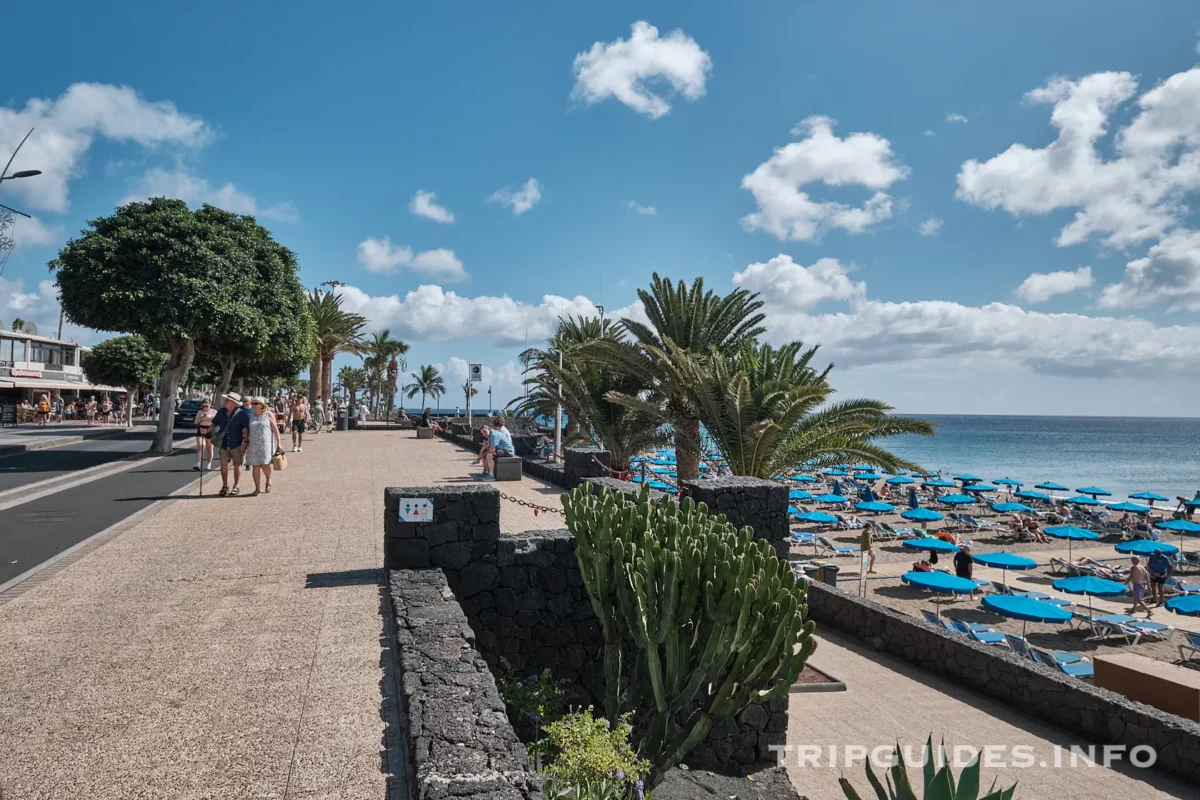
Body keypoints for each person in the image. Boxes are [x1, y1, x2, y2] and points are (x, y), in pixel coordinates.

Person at [211, 392, 250, 497]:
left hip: (237, 443)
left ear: (233, 403)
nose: (225, 402)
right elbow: (214, 423)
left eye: (227, 400)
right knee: (223, 464)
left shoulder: (241, 414)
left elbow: (245, 429)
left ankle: (236, 486)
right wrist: (206, 432)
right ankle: (225, 486)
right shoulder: (221, 412)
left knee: (237, 465)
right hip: (224, 443)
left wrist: (245, 442)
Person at [245, 397, 281, 495]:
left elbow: (275, 430)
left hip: (266, 444)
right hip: (253, 445)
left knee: (265, 465)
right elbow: (247, 431)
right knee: (255, 466)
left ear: (262, 405)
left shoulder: (268, 415)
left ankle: (268, 480)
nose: (253, 405)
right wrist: (244, 443)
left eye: (256, 403)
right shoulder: (250, 416)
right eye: (252, 404)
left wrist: (279, 443)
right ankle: (257, 488)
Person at [480, 415, 514, 480]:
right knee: (485, 453)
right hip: (501, 449)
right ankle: (486, 472)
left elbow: (493, 448)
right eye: (482, 433)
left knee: (489, 455)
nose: (484, 434)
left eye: (485, 432)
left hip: (506, 450)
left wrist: (484, 453)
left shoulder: (499, 432)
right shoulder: (494, 432)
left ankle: (491, 475)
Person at [194, 398, 217, 471]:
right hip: (201, 429)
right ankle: (198, 463)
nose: (205, 408)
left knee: (209, 448)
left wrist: (210, 418)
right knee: (201, 446)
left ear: (210, 405)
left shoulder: (214, 412)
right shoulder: (200, 412)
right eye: (203, 406)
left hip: (210, 429)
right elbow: (196, 422)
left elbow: (217, 421)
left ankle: (209, 463)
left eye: (206, 406)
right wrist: (202, 418)